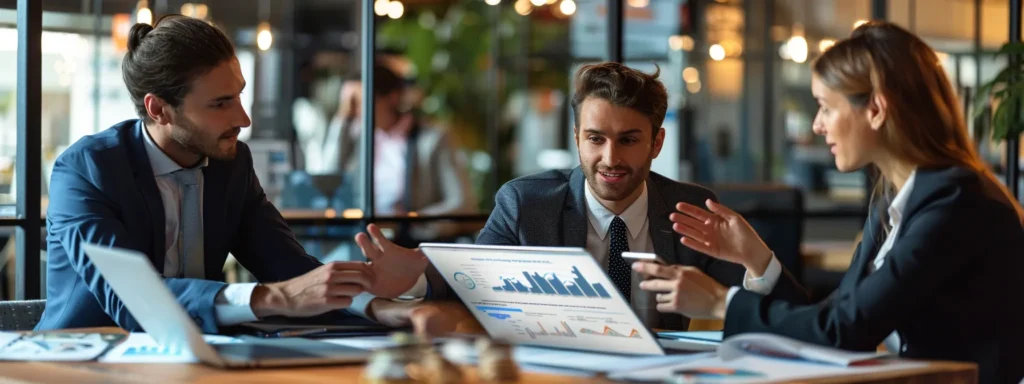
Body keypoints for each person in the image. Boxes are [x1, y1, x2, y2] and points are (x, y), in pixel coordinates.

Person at [633, 21, 1024, 383]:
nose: (818, 125)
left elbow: (844, 329)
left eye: (826, 106)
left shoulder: (957, 203)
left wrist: (721, 301)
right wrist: (758, 259)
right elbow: (833, 323)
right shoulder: (892, 200)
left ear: (875, 109)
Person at [36, 15, 424, 333]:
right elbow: (131, 298)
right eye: (221, 103)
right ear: (159, 110)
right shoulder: (87, 169)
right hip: (84, 359)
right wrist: (276, 298)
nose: (243, 118)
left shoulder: (231, 163)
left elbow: (288, 267)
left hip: (200, 358)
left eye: (239, 94)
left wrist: (378, 308)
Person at [353, 62, 807, 331]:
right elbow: (472, 284)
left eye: (629, 139)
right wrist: (411, 280)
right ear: (576, 138)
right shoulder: (525, 204)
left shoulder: (689, 210)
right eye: (595, 139)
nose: (610, 158)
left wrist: (758, 262)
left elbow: (789, 317)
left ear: (657, 143)